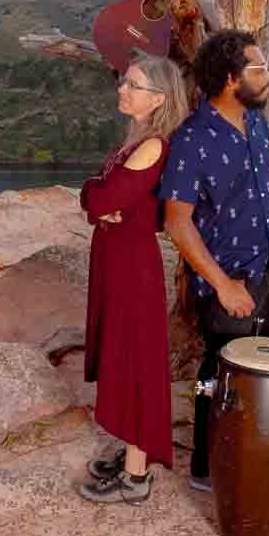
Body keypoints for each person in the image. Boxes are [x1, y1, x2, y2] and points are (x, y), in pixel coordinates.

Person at [159, 30, 269, 491]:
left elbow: (264, 194)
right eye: (259, 69)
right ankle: (205, 464)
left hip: (268, 268)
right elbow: (178, 222)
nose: (268, 76)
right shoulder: (191, 140)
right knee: (216, 373)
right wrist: (221, 285)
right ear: (232, 78)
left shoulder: (257, 124)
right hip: (228, 279)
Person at [78, 51, 189, 505]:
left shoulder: (153, 146)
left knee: (135, 362)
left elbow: (101, 199)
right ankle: (130, 454)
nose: (122, 89)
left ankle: (136, 476)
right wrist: (97, 199)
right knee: (123, 357)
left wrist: (98, 201)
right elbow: (95, 193)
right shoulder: (136, 140)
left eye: (133, 85)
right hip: (118, 260)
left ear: (158, 99)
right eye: (124, 81)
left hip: (131, 268)